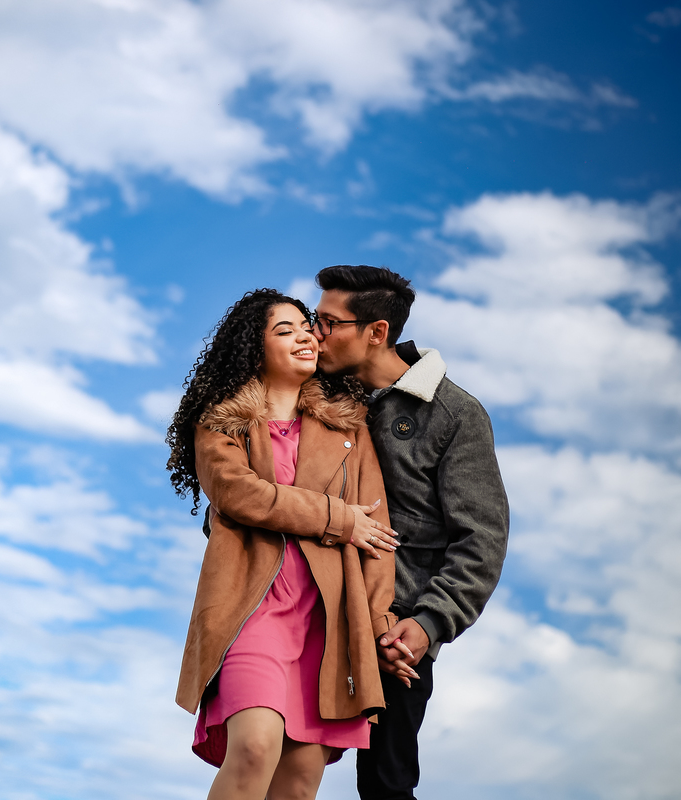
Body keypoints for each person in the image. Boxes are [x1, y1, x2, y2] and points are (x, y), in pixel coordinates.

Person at [167, 288, 402, 800]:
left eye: (306, 326)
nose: (304, 336)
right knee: (253, 748)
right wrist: (336, 518)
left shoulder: (349, 428)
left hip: (331, 618)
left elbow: (377, 534)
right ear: (256, 350)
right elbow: (238, 494)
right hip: (251, 608)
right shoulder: (222, 421)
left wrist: (380, 626)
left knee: (298, 785)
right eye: (284, 329)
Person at [310, 265, 510, 800]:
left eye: (329, 322)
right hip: (307, 607)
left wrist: (426, 626)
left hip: (393, 635)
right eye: (314, 318)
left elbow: (480, 541)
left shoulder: (456, 415)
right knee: (277, 766)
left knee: (386, 787)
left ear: (376, 332)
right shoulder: (304, 393)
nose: (314, 333)